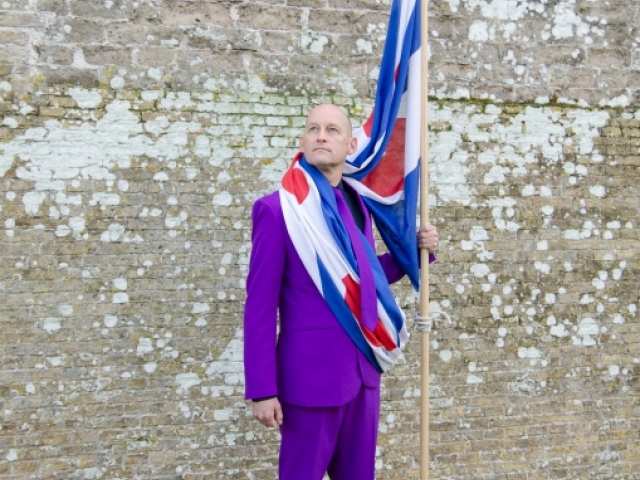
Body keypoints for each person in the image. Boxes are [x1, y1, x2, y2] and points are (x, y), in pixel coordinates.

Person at [243, 104, 438, 480]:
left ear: (349, 145)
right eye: (313, 129)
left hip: (363, 373)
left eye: (332, 130)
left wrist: (415, 254)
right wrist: (262, 389)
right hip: (309, 380)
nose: (321, 136)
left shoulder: (357, 205)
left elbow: (363, 279)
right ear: (302, 140)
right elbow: (260, 307)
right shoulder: (278, 210)